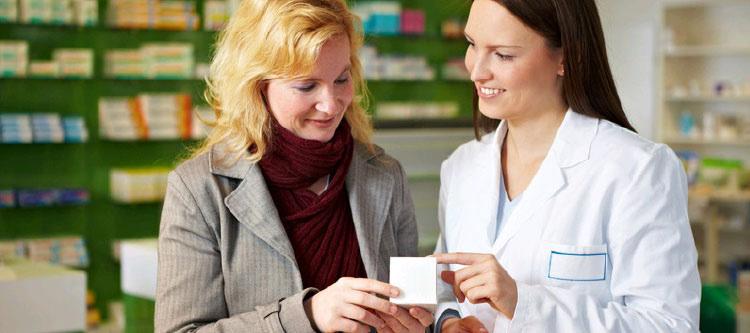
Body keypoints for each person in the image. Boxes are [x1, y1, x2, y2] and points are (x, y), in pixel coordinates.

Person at [154, 0, 433, 332]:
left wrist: (434, 323)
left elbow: (409, 312)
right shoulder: (200, 190)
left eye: (341, 79)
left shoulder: (385, 175)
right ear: (258, 86)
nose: (331, 104)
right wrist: (308, 315)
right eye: (306, 86)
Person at [431, 0, 701, 332]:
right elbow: (444, 288)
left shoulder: (638, 170)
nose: (476, 71)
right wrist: (448, 321)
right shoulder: (461, 167)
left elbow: (669, 325)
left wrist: (524, 303)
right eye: (472, 44)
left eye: (503, 54)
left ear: (565, 57)